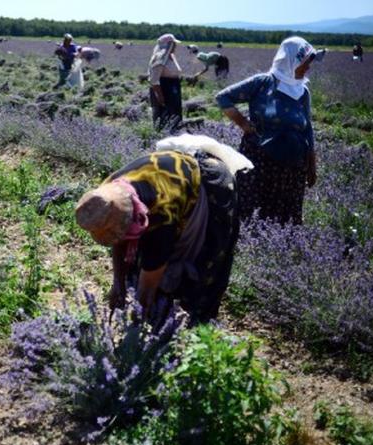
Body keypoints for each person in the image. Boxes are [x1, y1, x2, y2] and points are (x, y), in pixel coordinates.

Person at [75, 135, 252, 323]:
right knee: (144, 266)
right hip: (172, 176)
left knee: (207, 258)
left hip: (211, 182)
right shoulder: (105, 194)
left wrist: (139, 316)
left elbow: (153, 267)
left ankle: (198, 321)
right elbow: (119, 237)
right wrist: (118, 283)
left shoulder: (159, 211)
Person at [216, 36, 325, 225]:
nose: (308, 68)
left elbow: (308, 129)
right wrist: (243, 123)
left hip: (293, 167)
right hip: (260, 161)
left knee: (286, 217)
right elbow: (223, 98)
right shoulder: (263, 83)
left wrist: (312, 163)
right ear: (292, 60)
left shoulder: (303, 91)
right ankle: (252, 247)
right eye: (305, 63)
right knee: (255, 213)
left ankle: (282, 249)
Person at [148, 34, 183, 129]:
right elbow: (154, 80)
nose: (175, 46)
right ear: (168, 44)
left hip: (173, 89)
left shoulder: (171, 56)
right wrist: (160, 97)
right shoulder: (160, 58)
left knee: (175, 114)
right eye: (173, 44)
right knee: (163, 115)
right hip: (164, 89)